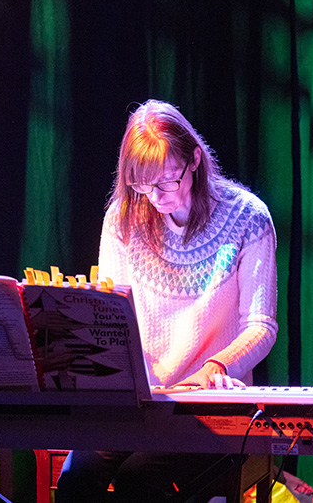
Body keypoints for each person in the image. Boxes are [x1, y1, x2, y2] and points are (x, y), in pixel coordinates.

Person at [56, 99, 279, 502]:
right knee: (76, 478)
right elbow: (111, 316)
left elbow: (260, 327)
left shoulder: (248, 218)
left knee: (137, 482)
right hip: (139, 402)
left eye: (166, 182)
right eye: (142, 185)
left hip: (208, 407)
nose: (155, 197)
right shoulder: (123, 218)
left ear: (194, 160)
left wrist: (215, 367)